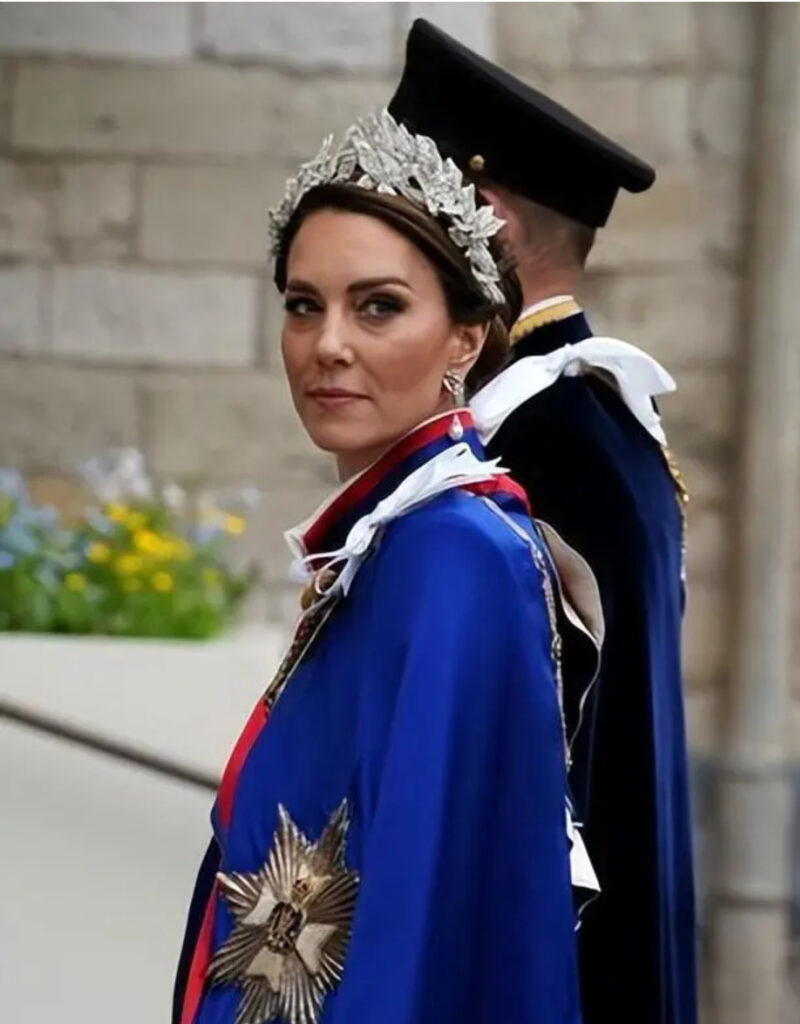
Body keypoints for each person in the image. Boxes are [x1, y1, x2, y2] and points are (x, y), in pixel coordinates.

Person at [173, 109, 603, 1024]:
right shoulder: (398, 538)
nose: (328, 343)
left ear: (465, 338)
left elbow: (422, 917)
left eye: (378, 306)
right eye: (302, 304)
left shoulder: (455, 555)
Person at [389, 19, 697, 1024]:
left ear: (483, 217)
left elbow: (506, 769)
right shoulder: (597, 419)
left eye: (409, 218)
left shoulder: (537, 441)